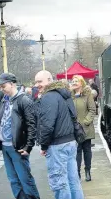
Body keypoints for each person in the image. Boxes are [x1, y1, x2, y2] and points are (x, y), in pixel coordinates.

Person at [0, 73, 40, 199]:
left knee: (25, 179)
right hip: (5, 146)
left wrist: (28, 147)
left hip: (17, 147)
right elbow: (5, 122)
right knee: (13, 180)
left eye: (3, 86)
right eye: (0, 86)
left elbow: (32, 125)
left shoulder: (24, 100)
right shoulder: (4, 100)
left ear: (12, 84)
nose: (1, 89)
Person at [35, 70, 84, 199]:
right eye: (36, 82)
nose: (37, 84)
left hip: (57, 145)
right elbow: (74, 116)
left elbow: (47, 125)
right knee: (73, 180)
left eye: (40, 81)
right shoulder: (64, 94)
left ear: (49, 80)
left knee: (59, 183)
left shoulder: (48, 97)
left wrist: (44, 146)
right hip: (70, 142)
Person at [71, 75, 96, 181]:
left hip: (86, 127)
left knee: (87, 150)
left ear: (81, 83)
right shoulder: (70, 95)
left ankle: (87, 171)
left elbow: (92, 109)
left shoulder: (87, 95)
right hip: (74, 128)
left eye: (76, 81)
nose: (74, 82)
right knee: (77, 151)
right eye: (72, 81)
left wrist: (86, 122)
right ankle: (77, 173)